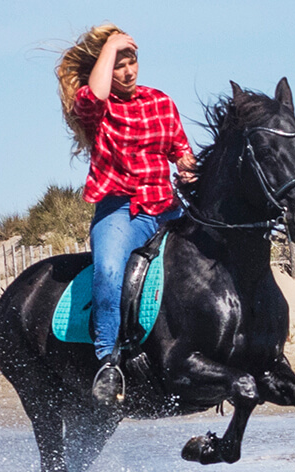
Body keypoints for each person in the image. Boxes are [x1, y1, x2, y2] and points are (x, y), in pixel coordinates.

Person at [57, 24, 199, 404]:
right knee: (108, 270)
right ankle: (107, 361)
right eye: (118, 64)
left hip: (166, 207)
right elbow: (96, 93)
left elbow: (179, 151)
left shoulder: (161, 102)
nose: (128, 71)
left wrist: (187, 166)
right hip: (120, 208)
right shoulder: (94, 108)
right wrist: (113, 45)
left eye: (132, 61)